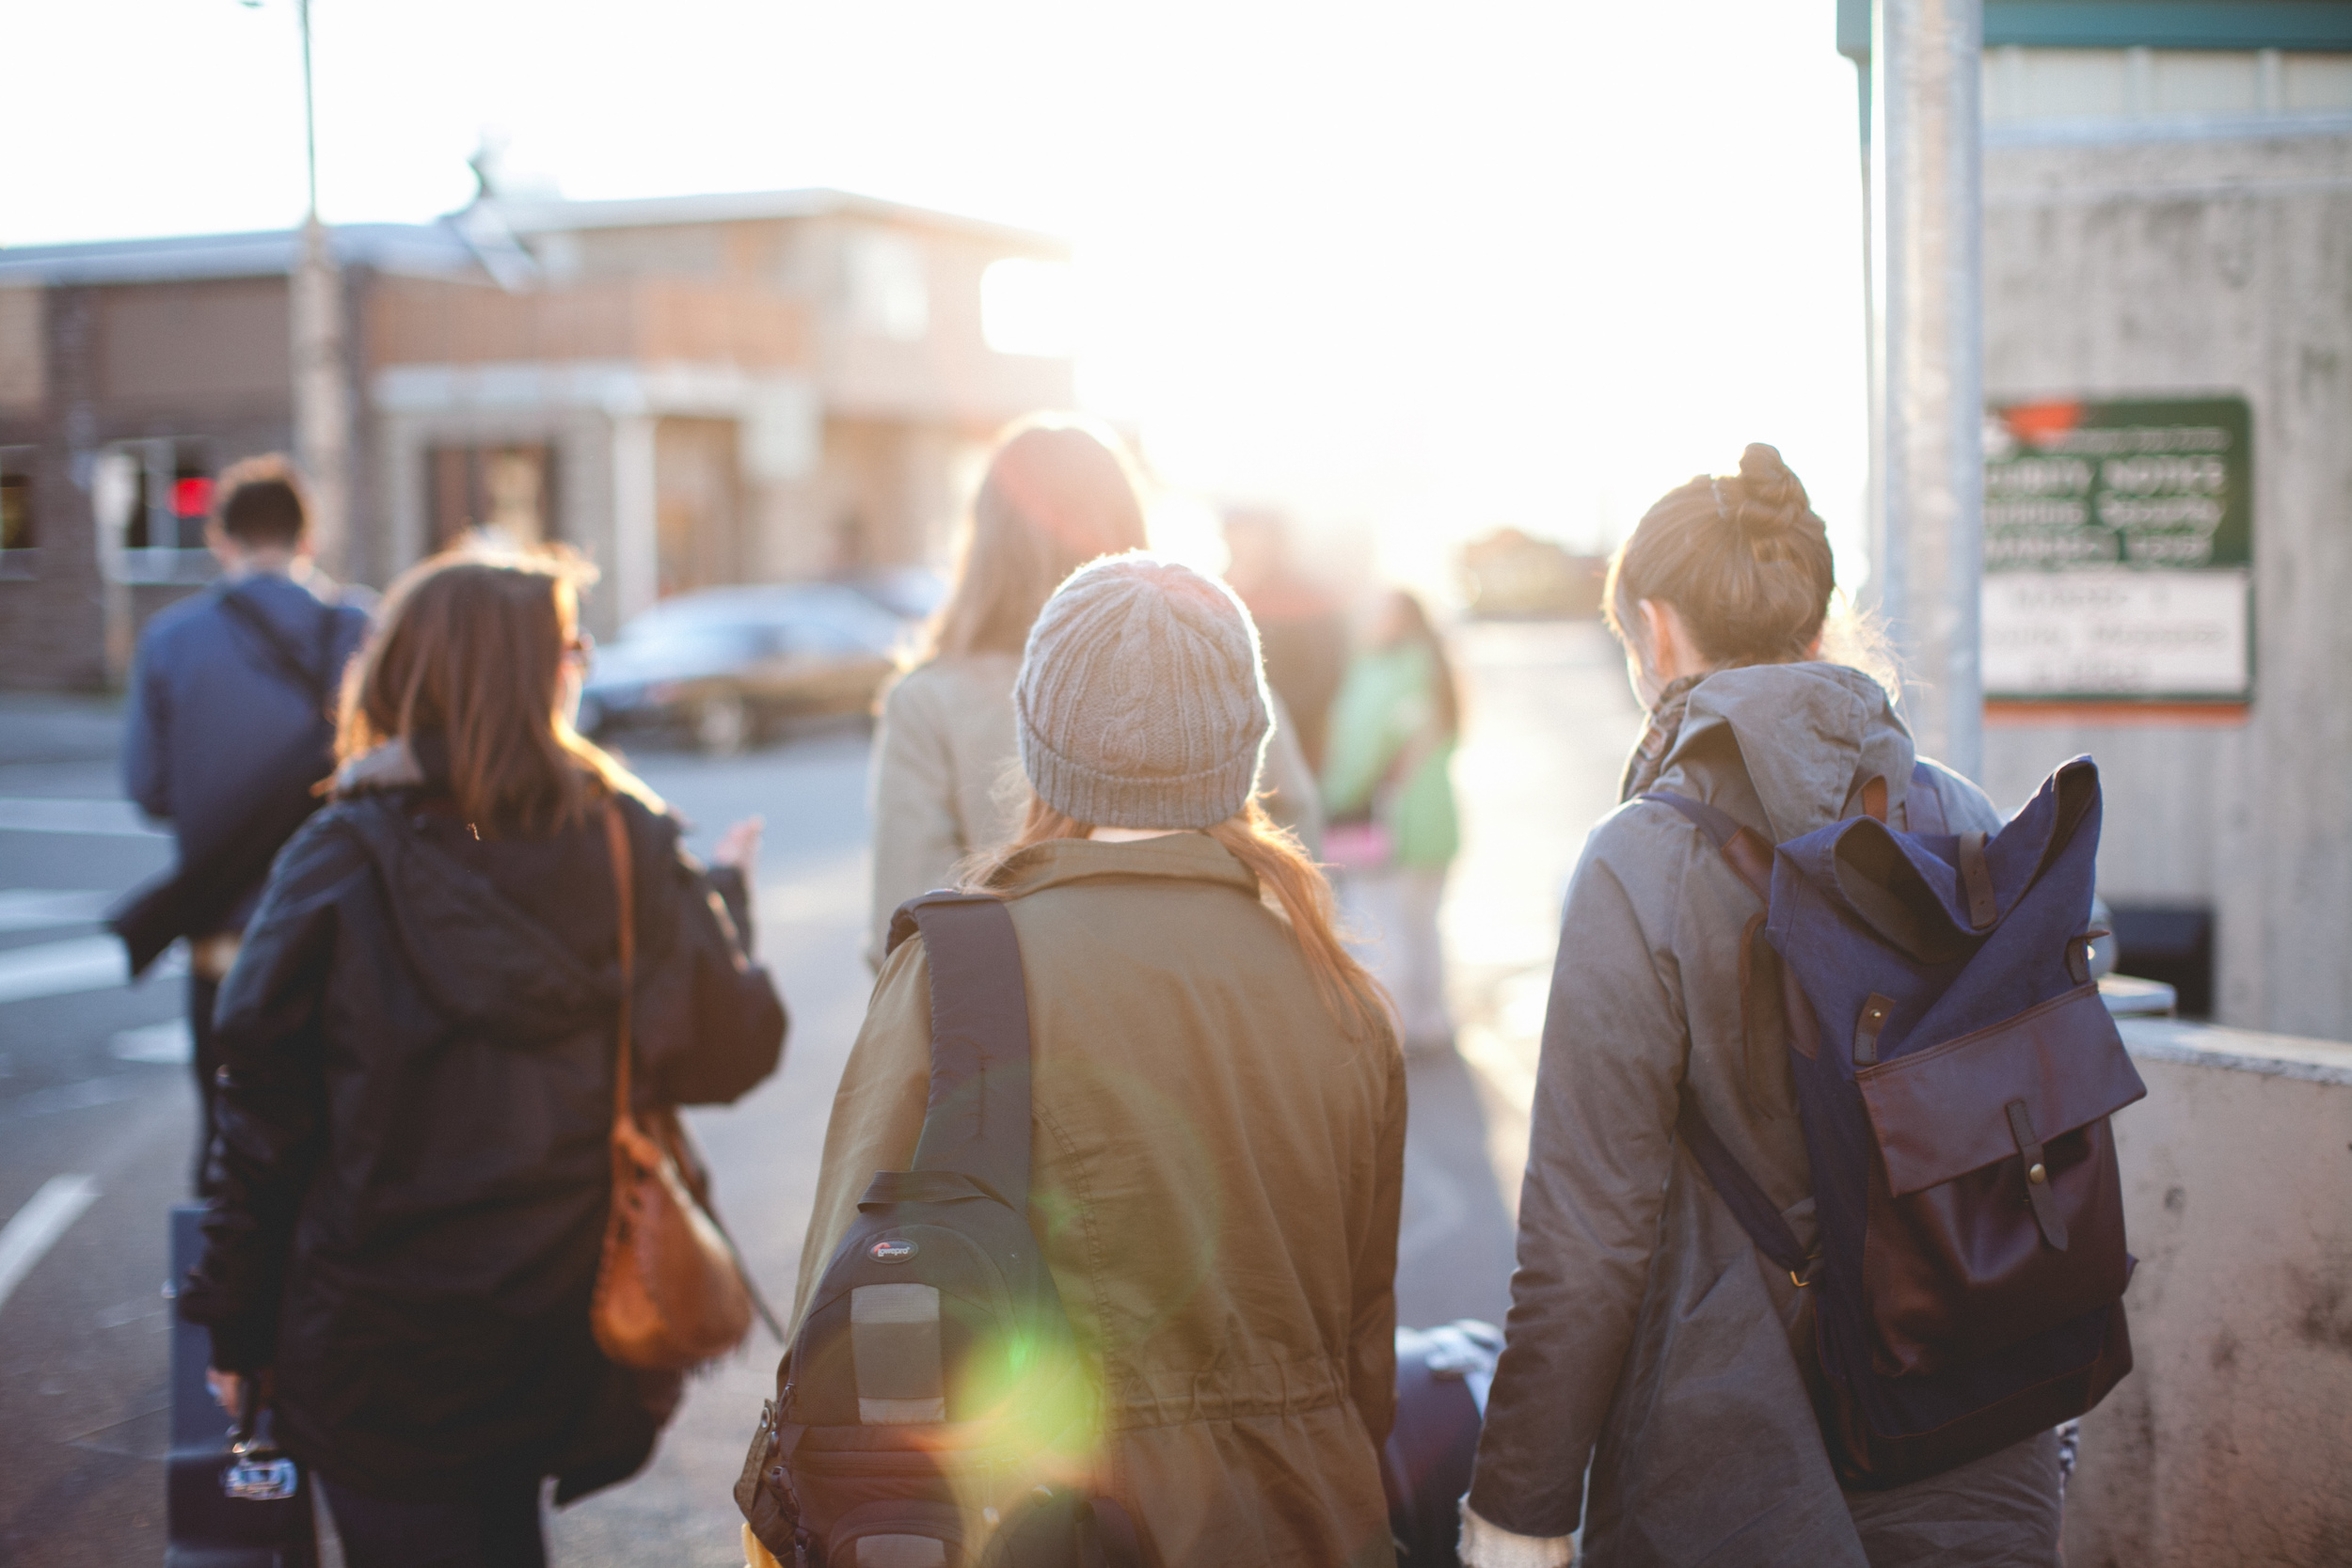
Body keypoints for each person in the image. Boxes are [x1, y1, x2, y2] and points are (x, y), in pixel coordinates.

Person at [1459, 446, 2059, 1568]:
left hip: (1732, 1450)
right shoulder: (1962, 816)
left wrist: (1519, 1504)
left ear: (1657, 629)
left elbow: (1587, 1236)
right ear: (1819, 620)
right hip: (1975, 1407)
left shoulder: (1640, 860)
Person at [176, 549, 787, 1568]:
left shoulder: (338, 855)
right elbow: (727, 1052)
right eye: (570, 643)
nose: (583, 662)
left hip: (378, 1339)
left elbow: (260, 1124)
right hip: (562, 1320)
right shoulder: (624, 840)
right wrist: (722, 907)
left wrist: (233, 1328)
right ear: (530, 673)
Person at [799, 554, 1405, 1566]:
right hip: (1312, 1515)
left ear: (1039, 744)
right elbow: (1363, 1343)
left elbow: (835, 1306)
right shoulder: (1337, 988)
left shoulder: (957, 970)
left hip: (1051, 1520)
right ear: (1243, 747)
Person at [866, 416, 1322, 964]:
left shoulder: (928, 703)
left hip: (1019, 1030)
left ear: (984, 540)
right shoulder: (1216, 665)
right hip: (1223, 1004)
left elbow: (906, 927)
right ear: (1127, 522)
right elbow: (1299, 849)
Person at [122, 455, 372, 1192]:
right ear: (309, 537)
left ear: (220, 539)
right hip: (343, 942)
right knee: (341, 1148)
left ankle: (227, 1298)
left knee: (232, 1150)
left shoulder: (171, 640)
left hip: (225, 944)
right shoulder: (362, 627)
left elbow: (148, 788)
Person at [1321, 589, 1464, 1056]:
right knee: (1426, 923)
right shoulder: (1438, 672)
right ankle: (1432, 1020)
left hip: (1387, 824)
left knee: (1381, 923)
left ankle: (1391, 1029)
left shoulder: (1379, 672)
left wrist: (1334, 800)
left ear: (1396, 622)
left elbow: (1359, 754)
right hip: (1438, 820)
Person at [1222, 504, 1350, 771]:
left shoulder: (1308, 598)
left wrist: (1263, 717)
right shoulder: (1218, 590)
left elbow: (1324, 678)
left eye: (1253, 531)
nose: (1243, 540)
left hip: (1293, 746)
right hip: (1226, 747)